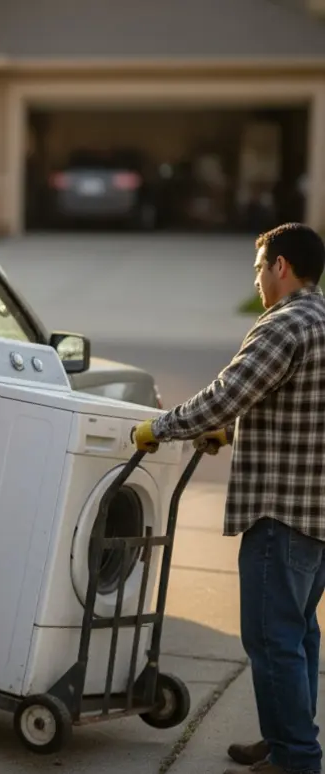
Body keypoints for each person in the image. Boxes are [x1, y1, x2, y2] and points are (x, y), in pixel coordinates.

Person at [132, 222, 325, 774]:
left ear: (281, 266)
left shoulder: (284, 324)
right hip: (315, 513)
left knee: (272, 639)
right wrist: (232, 431)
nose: (258, 280)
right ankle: (287, 740)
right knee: (298, 635)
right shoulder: (321, 319)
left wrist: (160, 427)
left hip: (280, 511)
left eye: (259, 268)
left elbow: (226, 393)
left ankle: (296, 759)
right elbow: (298, 405)